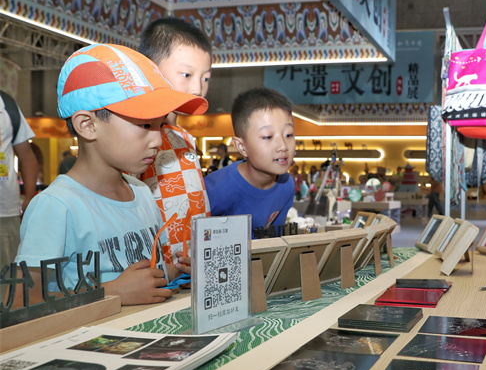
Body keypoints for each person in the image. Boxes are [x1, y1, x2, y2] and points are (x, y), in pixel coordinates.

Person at [15, 44, 208, 305]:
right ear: (87, 125)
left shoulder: (141, 192)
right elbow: (21, 301)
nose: (157, 140)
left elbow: (142, 275)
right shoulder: (56, 207)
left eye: (161, 125)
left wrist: (176, 272)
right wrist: (109, 293)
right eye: (144, 125)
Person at [137, 16, 213, 264]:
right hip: (156, 266)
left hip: (191, 264)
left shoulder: (186, 138)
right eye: (187, 75)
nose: (197, 89)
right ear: (151, 69)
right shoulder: (138, 134)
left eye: (205, 78)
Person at [204, 88, 295, 237]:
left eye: (289, 135)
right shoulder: (213, 190)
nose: (283, 146)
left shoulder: (286, 186)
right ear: (241, 146)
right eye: (268, 137)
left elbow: (275, 242)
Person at [0, 92, 38, 273]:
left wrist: (29, 197)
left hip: (5, 212)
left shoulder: (6, 106)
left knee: (8, 277)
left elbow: (27, 156)